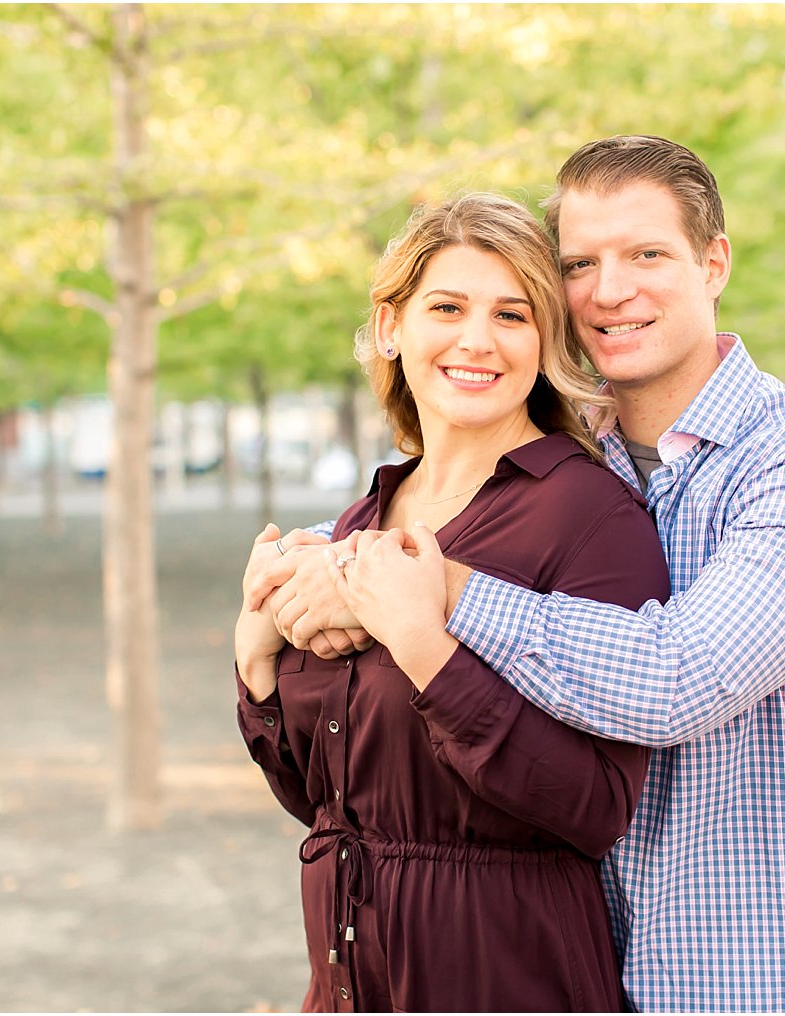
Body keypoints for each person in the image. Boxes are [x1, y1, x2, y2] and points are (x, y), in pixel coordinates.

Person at [248, 136, 785, 1012]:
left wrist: (432, 589)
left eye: (647, 254)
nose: (609, 289)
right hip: (568, 959)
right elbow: (443, 503)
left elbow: (676, 678)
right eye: (581, 262)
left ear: (714, 264)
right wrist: (307, 575)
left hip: (741, 982)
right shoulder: (581, 453)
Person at [233, 192, 671, 1012]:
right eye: (447, 307)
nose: (477, 339)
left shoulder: (589, 518)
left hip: (505, 972)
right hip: (351, 983)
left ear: (545, 342)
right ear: (393, 326)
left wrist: (424, 646)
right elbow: (328, 806)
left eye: (512, 314)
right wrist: (255, 662)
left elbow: (594, 809)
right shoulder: (363, 519)